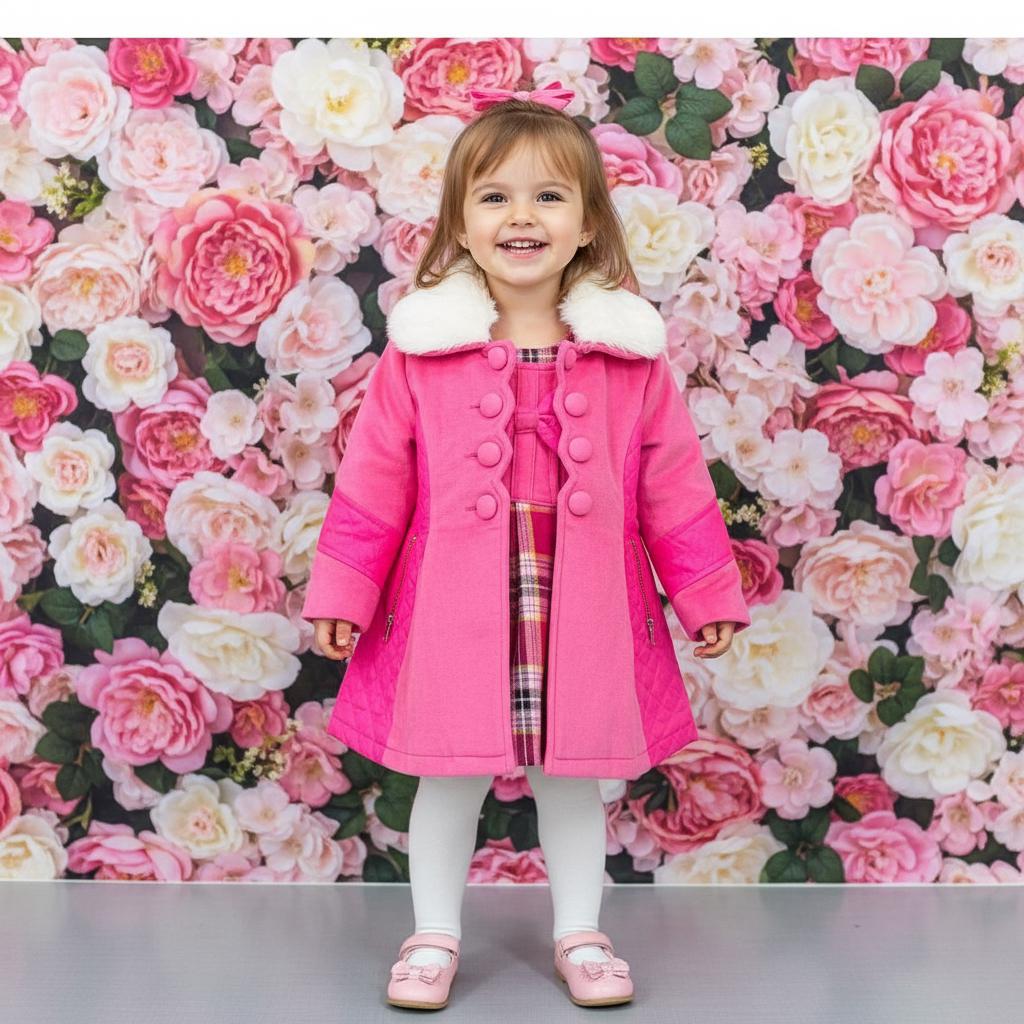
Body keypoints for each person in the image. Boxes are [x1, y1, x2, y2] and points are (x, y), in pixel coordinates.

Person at [302, 80, 751, 1010]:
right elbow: (374, 484)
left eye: (549, 196)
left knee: (572, 780)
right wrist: (344, 594)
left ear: (587, 223)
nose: (522, 216)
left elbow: (672, 486)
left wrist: (705, 594)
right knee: (448, 776)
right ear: (460, 226)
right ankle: (432, 937)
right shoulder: (420, 356)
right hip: (452, 607)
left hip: (578, 602)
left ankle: (581, 935)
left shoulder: (632, 360)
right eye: (495, 196)